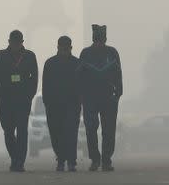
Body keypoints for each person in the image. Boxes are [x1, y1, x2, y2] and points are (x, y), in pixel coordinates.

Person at [0, 29, 38, 172]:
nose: (16, 45)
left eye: (18, 43)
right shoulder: (1, 55)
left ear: (22, 42)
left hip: (23, 100)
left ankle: (19, 161)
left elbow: (34, 77)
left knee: (22, 131)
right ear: (9, 42)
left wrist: (30, 95)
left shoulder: (29, 56)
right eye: (13, 43)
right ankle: (14, 156)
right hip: (5, 100)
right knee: (8, 131)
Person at [79, 24, 122, 172]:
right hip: (90, 98)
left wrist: (118, 93)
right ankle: (96, 160)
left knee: (108, 130)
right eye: (98, 39)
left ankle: (106, 160)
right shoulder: (85, 53)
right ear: (94, 38)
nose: (99, 42)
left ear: (104, 38)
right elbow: (80, 76)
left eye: (101, 39)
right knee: (91, 129)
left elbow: (118, 74)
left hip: (108, 97)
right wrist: (82, 96)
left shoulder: (112, 52)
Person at [42, 35, 81, 172]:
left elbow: (81, 84)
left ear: (70, 48)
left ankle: (71, 161)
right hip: (54, 104)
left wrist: (79, 101)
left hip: (72, 104)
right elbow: (45, 85)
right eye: (62, 48)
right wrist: (46, 102)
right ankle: (61, 157)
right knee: (56, 134)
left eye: (67, 48)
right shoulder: (50, 63)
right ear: (57, 47)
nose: (64, 50)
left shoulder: (77, 63)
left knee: (71, 133)